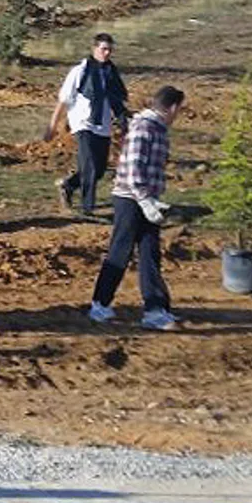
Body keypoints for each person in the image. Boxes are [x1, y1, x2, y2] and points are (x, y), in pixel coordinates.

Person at [89, 85, 185, 331]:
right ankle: (100, 304)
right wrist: (144, 199)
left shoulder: (156, 128)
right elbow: (133, 169)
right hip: (130, 200)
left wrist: (152, 199)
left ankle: (155, 310)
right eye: (179, 110)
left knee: (150, 252)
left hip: (146, 199)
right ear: (172, 107)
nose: (178, 115)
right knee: (120, 250)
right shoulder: (144, 128)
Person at [45, 33, 129, 215]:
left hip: (103, 125)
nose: (106, 53)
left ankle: (68, 185)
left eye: (109, 50)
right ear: (94, 49)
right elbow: (64, 100)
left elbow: (117, 100)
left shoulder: (111, 73)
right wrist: (52, 126)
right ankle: (87, 208)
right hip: (83, 123)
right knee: (89, 164)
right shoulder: (80, 71)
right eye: (103, 49)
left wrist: (123, 123)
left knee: (98, 169)